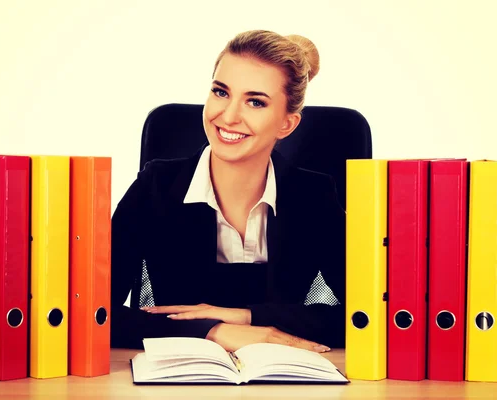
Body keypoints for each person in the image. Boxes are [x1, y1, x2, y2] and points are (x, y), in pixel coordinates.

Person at [110, 30, 345, 353]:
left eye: (255, 101)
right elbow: (93, 314)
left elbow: (368, 316)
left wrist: (247, 317)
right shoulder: (155, 188)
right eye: (221, 92)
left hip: (282, 378)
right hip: (180, 379)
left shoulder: (314, 197)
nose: (229, 116)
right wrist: (212, 331)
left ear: (286, 125)